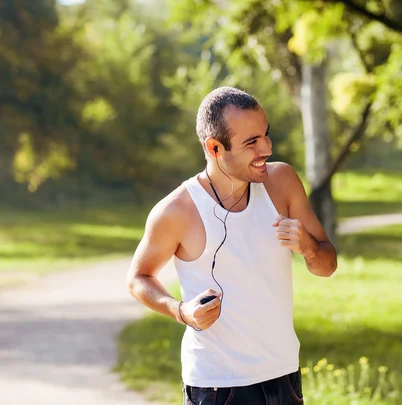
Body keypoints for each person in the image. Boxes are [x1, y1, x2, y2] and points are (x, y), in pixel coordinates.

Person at [126, 86, 338, 405]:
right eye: (251, 142)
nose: (266, 148)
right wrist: (182, 311)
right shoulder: (177, 211)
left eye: (265, 135)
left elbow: (327, 265)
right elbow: (137, 278)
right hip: (217, 385)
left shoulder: (281, 182)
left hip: (283, 374)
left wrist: (308, 246)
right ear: (215, 148)